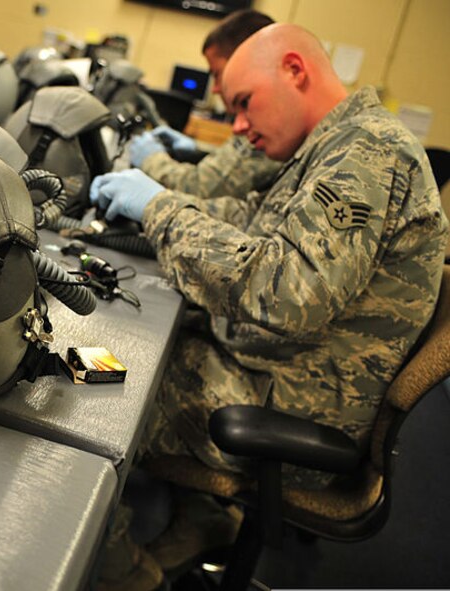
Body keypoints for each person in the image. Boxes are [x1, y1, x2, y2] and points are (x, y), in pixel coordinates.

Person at [93, 22, 448, 589]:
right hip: (274, 372)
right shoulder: (336, 143)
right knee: (121, 337)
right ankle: (204, 518)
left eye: (243, 103)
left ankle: (122, 576)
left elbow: (284, 292)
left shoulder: (369, 153)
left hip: (294, 410)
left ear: (294, 70)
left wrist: (159, 209)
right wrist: (155, 199)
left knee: (93, 390)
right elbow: (251, 222)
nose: (237, 126)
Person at [128, 9, 282, 198]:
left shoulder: (268, 127)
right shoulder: (257, 121)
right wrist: (197, 151)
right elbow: (232, 165)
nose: (216, 88)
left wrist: (151, 159)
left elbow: (200, 188)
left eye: (218, 74)